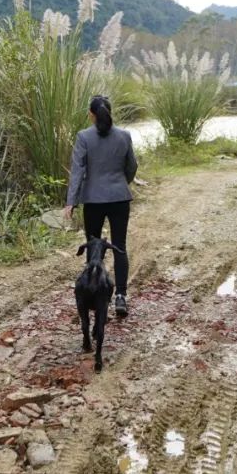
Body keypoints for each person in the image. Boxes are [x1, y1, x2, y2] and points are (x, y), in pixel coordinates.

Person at [64, 95, 138, 316]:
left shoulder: (84, 137)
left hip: (93, 201)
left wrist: (71, 201)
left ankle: (94, 294)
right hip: (119, 198)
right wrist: (120, 183)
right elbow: (132, 166)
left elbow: (77, 171)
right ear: (110, 112)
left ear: (91, 114)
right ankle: (121, 297)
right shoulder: (124, 136)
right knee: (120, 247)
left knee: (93, 248)